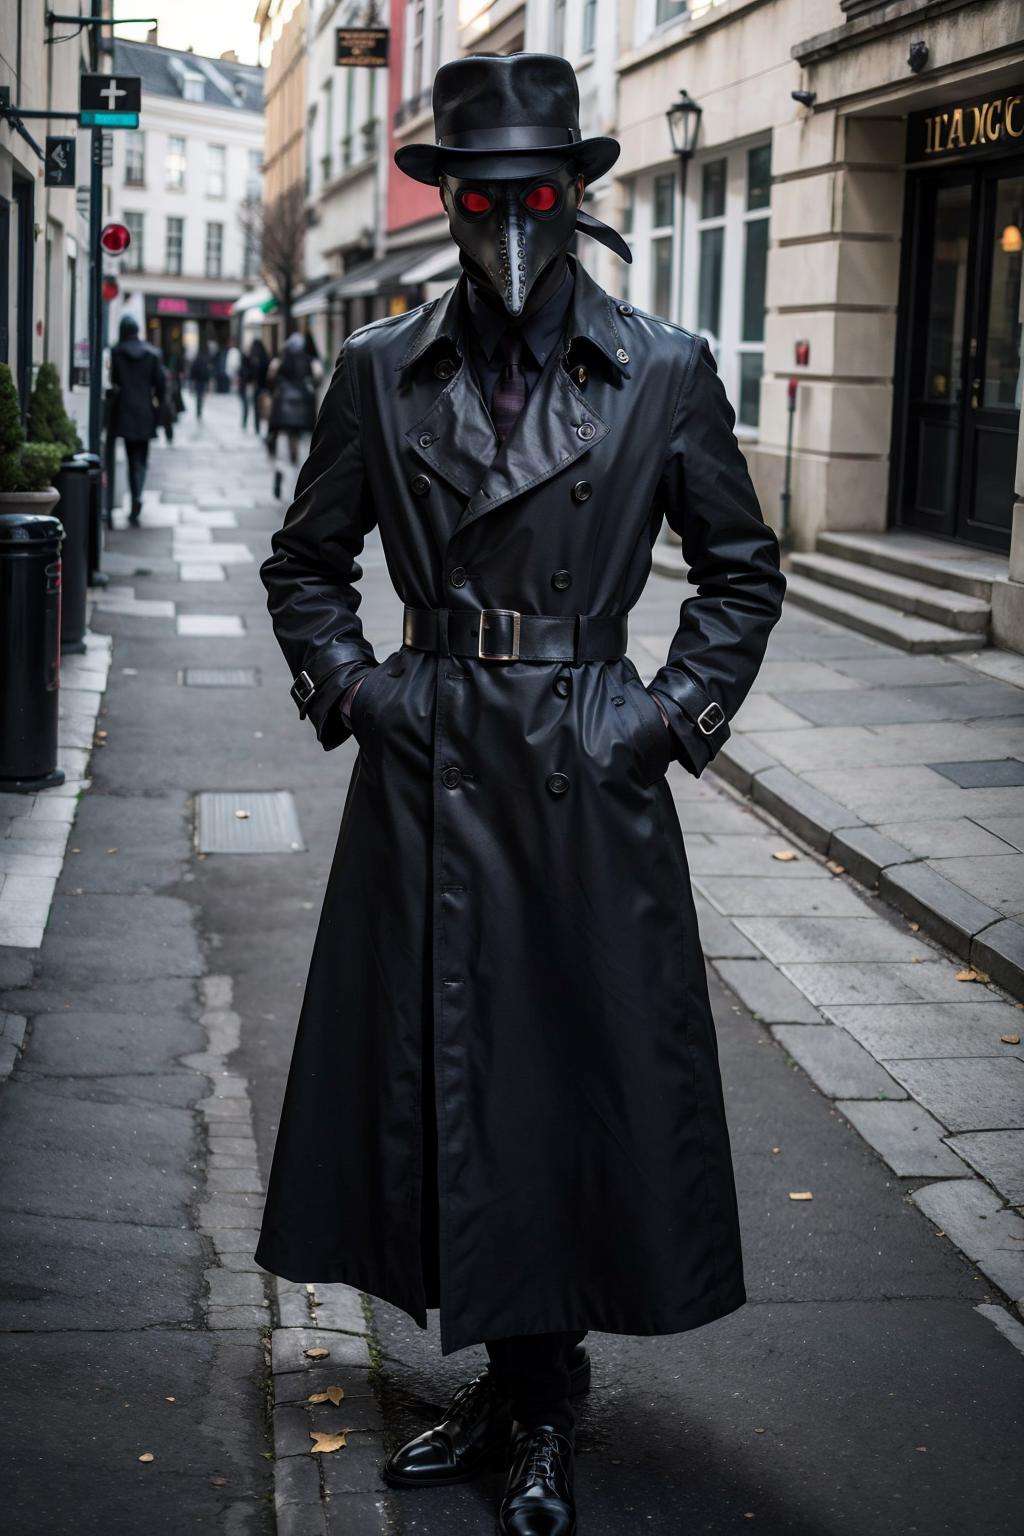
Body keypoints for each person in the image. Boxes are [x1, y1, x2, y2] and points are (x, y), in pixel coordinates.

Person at [257, 53, 786, 1536]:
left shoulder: (663, 367)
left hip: (578, 773)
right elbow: (307, 561)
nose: (509, 224)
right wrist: (356, 690)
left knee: (565, 1083)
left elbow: (742, 572)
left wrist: (667, 717)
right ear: (445, 201)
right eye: (482, 196)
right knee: (449, 1084)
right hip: (430, 766)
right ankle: (510, 1382)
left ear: (578, 198)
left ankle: (547, 1404)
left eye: (537, 195)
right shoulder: (379, 367)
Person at [108, 314, 166, 526]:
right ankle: (137, 495)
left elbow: (112, 382)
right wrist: (158, 413)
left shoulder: (116, 353)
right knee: (141, 459)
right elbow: (161, 386)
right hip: (145, 411)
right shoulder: (152, 354)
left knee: (132, 457)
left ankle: (135, 497)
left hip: (124, 410)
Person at [265, 332, 320, 499]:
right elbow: (318, 378)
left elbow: (270, 379)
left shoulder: (279, 360)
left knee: (283, 443)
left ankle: (280, 471)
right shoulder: (311, 361)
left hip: (282, 409)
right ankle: (300, 483)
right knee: (303, 444)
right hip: (303, 409)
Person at [248, 338, 270, 436]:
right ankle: (263, 428)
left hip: (258, 388)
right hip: (265, 388)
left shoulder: (253, 359)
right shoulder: (265, 358)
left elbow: (249, 374)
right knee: (265, 409)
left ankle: (257, 428)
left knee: (257, 409)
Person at [189, 345, 212, 419]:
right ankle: (199, 410)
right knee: (200, 396)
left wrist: (192, 381)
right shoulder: (205, 361)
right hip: (202, 381)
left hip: (198, 381)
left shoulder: (196, 361)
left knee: (199, 396)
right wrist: (208, 382)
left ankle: (198, 410)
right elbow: (207, 373)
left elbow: (192, 372)